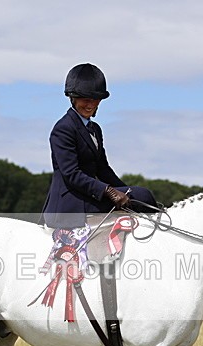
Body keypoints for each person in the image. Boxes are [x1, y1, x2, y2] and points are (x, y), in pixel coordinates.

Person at [41, 63, 158, 228]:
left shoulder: (95, 129)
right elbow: (72, 174)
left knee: (141, 196)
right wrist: (109, 191)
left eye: (95, 100)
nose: (90, 105)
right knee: (142, 195)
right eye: (85, 100)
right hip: (70, 203)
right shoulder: (63, 129)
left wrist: (125, 191)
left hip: (88, 195)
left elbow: (102, 169)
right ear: (72, 98)